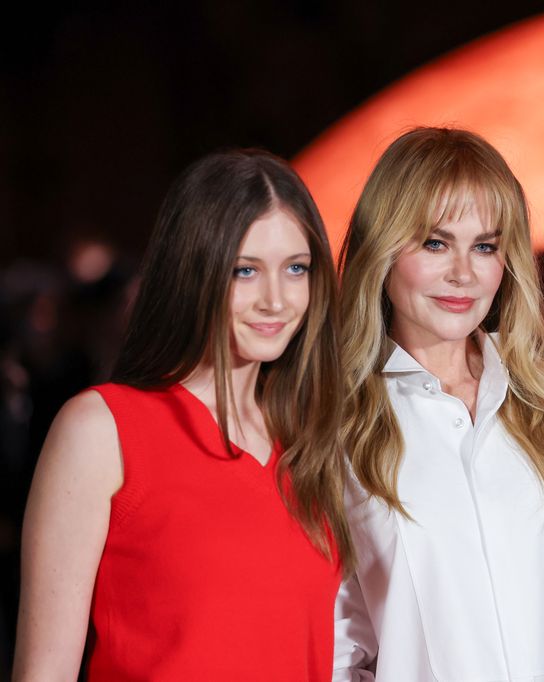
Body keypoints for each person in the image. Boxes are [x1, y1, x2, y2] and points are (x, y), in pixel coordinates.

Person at [332, 127, 544, 681]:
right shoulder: (338, 430)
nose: (463, 273)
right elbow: (338, 643)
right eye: (435, 243)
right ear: (382, 249)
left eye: (485, 246)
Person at [13, 149, 351, 681]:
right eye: (245, 270)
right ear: (192, 271)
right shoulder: (102, 430)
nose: (276, 300)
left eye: (296, 268)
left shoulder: (314, 438)